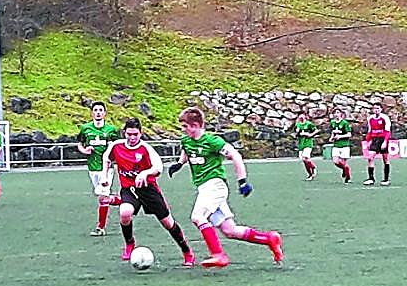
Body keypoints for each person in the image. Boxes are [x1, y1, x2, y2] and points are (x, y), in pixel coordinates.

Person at [168, 107, 283, 268]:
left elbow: (235, 155)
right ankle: (269, 239)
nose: (183, 130)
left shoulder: (213, 141)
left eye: (185, 126)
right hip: (204, 188)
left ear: (195, 125)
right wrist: (179, 164)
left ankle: (218, 255)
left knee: (198, 217)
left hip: (215, 185)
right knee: (230, 230)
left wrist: (242, 180)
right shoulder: (186, 140)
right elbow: (187, 151)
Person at [100, 118, 195, 266]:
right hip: (129, 189)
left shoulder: (145, 148)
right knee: (125, 212)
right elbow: (106, 159)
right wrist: (105, 176)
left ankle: (187, 252)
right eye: (129, 134)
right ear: (124, 133)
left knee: (168, 223)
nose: (132, 138)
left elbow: (158, 167)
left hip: (148, 189)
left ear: (141, 133)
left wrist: (145, 173)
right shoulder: (117, 146)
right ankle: (130, 243)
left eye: (135, 134)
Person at [77, 101, 121, 236]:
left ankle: (100, 228)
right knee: (103, 197)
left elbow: (118, 147)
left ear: (105, 113)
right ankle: (126, 201)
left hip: (106, 168)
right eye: (95, 110)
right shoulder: (85, 128)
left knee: (103, 197)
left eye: (100, 110)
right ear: (92, 113)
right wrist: (85, 150)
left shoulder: (111, 130)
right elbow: (80, 144)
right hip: (92, 167)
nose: (98, 112)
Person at [363, 104, 391, 186]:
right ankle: (371, 179)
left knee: (385, 159)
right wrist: (368, 141)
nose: (376, 110)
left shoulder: (385, 118)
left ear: (381, 109)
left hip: (382, 139)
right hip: (374, 140)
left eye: (378, 108)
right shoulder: (370, 118)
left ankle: (386, 179)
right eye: (375, 108)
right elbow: (370, 131)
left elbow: (388, 131)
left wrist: (385, 141)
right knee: (370, 158)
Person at [328, 108, 352, 183]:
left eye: (338, 112)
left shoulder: (345, 123)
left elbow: (349, 134)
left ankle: (348, 177)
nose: (336, 114)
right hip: (336, 145)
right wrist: (331, 137)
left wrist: (340, 136)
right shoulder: (332, 122)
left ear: (341, 114)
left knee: (343, 162)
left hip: (344, 145)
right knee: (336, 161)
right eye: (335, 113)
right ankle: (345, 169)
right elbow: (333, 131)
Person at [294, 112, 319, 181]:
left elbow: (316, 130)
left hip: (308, 143)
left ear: (305, 116)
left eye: (302, 115)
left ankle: (313, 167)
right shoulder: (297, 124)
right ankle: (310, 174)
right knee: (304, 161)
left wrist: (310, 135)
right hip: (301, 144)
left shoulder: (309, 124)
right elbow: (296, 133)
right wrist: (297, 132)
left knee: (305, 158)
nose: (300, 116)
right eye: (299, 115)